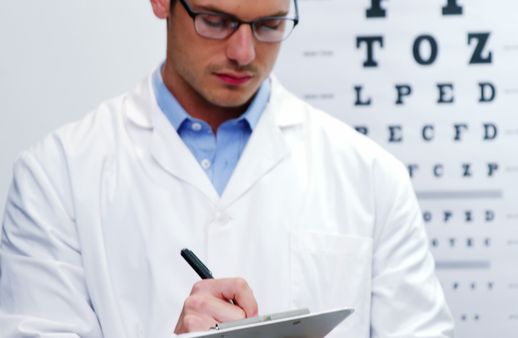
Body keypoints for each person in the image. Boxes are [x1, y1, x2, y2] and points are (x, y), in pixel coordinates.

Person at [0, 0, 455, 337]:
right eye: (215, 21)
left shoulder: (372, 176)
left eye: (269, 25)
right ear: (163, 4)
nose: (243, 51)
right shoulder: (56, 175)